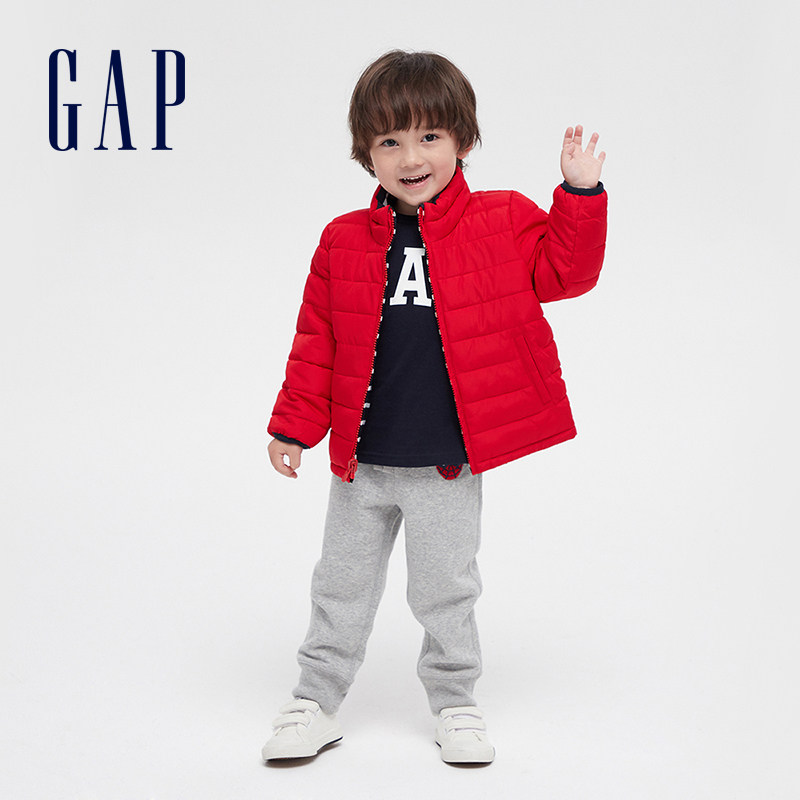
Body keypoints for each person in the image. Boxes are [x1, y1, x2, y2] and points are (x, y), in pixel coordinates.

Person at [262, 49, 607, 764]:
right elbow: (317, 340)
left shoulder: (502, 220)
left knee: (446, 590)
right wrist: (294, 426)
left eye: (429, 137)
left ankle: (455, 702)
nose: (411, 157)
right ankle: (315, 701)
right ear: (366, 153)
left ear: (463, 142)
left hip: (447, 461)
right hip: (362, 463)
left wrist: (579, 194)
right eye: (389, 141)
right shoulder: (342, 240)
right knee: (340, 585)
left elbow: (566, 275)